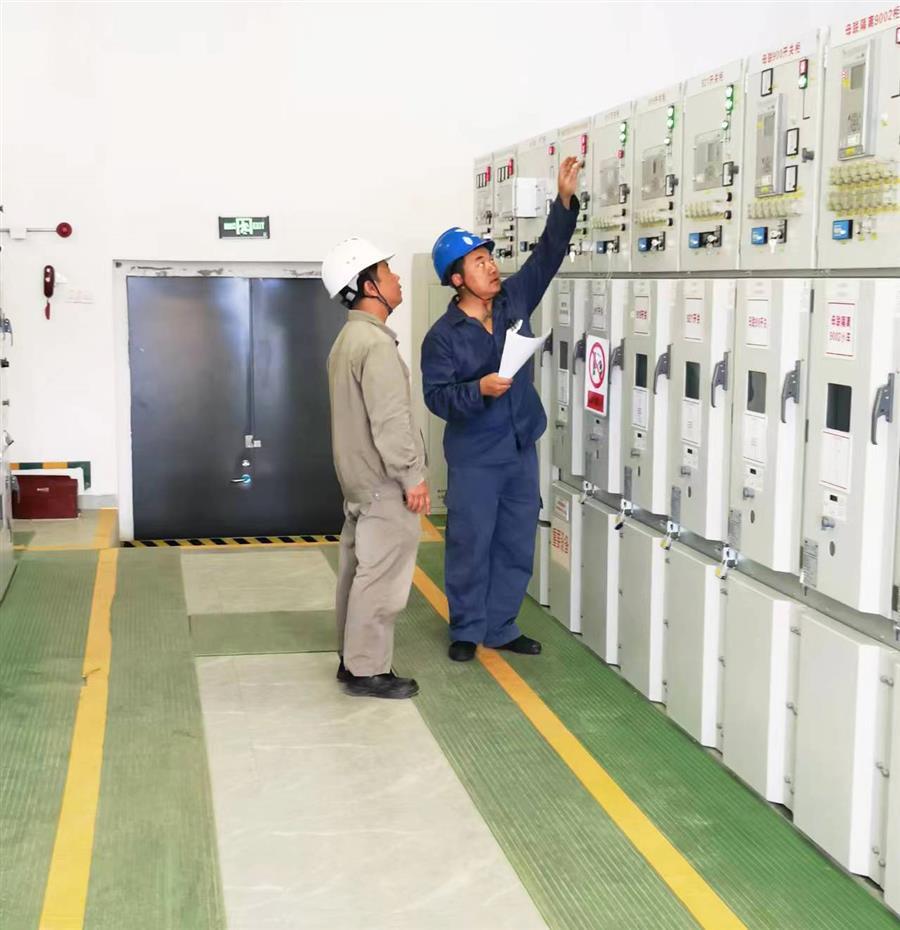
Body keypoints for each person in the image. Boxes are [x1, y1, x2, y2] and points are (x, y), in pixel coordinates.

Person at [421, 156, 581, 661]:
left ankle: (502, 625)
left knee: (515, 539)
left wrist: (563, 201)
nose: (491, 266)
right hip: (475, 454)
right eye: (478, 262)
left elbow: (547, 257)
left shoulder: (513, 300)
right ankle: (467, 629)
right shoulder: (442, 337)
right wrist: (480, 390)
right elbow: (437, 397)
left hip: (519, 446)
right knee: (470, 542)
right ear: (456, 279)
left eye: (489, 258)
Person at [322, 237, 430, 698]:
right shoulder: (375, 345)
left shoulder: (348, 340)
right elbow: (390, 422)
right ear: (369, 286)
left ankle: (352, 659)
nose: (397, 277)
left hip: (359, 483)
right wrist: (412, 476)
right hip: (385, 484)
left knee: (357, 572)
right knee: (381, 578)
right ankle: (367, 670)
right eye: (387, 272)